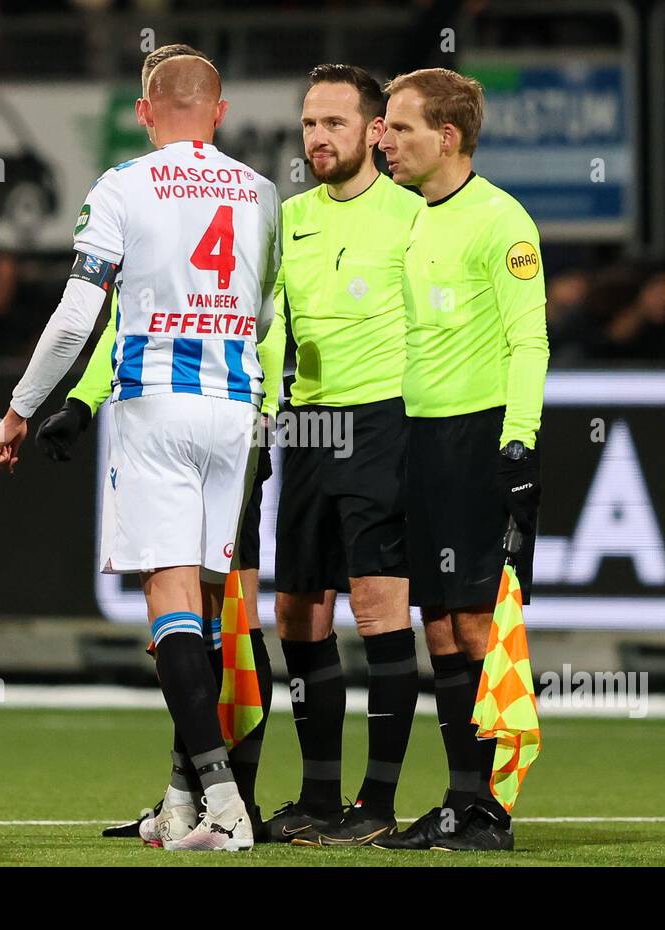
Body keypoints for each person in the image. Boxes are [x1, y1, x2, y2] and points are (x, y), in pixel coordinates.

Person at [0, 52, 281, 852]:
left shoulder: (123, 185)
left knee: (169, 597)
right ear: (219, 113)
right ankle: (183, 799)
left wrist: (20, 410)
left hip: (156, 405)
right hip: (235, 410)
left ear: (146, 112)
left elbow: (79, 315)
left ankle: (225, 805)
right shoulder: (261, 193)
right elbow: (262, 313)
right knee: (211, 605)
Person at [374, 68, 548, 851]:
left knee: (477, 622)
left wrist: (521, 443)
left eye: (400, 128)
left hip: (480, 440)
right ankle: (458, 800)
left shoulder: (501, 221)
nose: (385, 139)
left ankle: (495, 812)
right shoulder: (412, 218)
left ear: (447, 138)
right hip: (422, 437)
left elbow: (528, 340)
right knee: (438, 623)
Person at [257, 64, 425, 847]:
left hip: (385, 423)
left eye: (334, 123)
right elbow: (268, 325)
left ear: (374, 132)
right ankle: (319, 795)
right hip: (306, 426)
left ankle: (378, 803)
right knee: (297, 611)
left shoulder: (416, 216)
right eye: (309, 123)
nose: (317, 137)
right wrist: (263, 423)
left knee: (380, 607)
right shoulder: (287, 218)